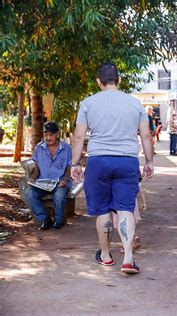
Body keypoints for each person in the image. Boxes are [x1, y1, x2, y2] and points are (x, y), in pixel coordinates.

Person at [71, 62, 154, 275]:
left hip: (99, 162)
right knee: (126, 208)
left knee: (103, 209)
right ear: (119, 80)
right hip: (127, 161)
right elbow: (146, 135)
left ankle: (106, 255)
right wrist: (149, 161)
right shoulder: (135, 104)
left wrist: (75, 163)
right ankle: (128, 258)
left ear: (99, 81)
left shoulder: (88, 103)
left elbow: (79, 136)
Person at [26, 121, 72, 230]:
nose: (48, 137)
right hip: (43, 183)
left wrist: (65, 180)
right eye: (45, 135)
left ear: (57, 134)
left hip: (60, 182)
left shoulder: (67, 148)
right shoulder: (39, 148)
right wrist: (33, 178)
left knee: (59, 196)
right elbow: (37, 167)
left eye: (51, 134)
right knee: (30, 194)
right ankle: (45, 219)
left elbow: (69, 167)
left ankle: (59, 221)